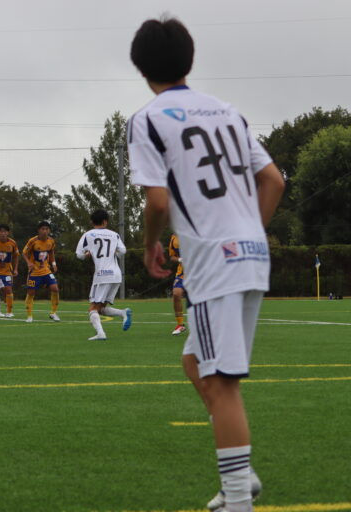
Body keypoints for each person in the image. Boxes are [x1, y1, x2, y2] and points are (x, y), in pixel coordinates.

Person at [128, 17, 285, 512]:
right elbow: (274, 180)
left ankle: (238, 498)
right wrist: (249, 234)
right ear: (189, 59)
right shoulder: (227, 111)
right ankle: (242, 475)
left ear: (140, 66)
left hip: (216, 261)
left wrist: (150, 244)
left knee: (220, 382)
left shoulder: (148, 119)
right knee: (195, 362)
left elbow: (157, 201)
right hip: (250, 254)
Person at [75, 210, 132, 340]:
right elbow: (123, 250)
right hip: (116, 275)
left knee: (92, 308)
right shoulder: (114, 234)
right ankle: (123, 313)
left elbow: (79, 255)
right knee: (101, 308)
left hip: (102, 275)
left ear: (92, 221)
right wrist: (114, 253)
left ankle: (101, 334)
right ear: (105, 221)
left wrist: (87, 255)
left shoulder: (88, 235)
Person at [22, 221, 61, 323]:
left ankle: (53, 313)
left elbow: (51, 252)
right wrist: (29, 263)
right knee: (31, 292)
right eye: (43, 229)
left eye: (47, 229)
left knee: (55, 288)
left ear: (49, 230)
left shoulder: (51, 241)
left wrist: (54, 264)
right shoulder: (33, 241)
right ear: (38, 230)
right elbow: (24, 253)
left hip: (46, 270)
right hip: (34, 271)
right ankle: (29, 316)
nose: (45, 231)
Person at [169, 233, 187, 335]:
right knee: (176, 293)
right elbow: (172, 257)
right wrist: (180, 259)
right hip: (182, 273)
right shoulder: (174, 237)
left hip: (199, 271)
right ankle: (180, 324)